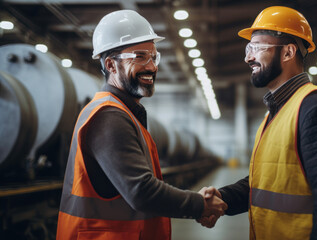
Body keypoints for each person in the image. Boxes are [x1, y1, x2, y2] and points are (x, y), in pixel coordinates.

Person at [56, 10, 226, 240]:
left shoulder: (125, 113)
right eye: (139, 56)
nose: (152, 67)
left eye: (154, 57)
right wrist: (199, 204)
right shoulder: (109, 117)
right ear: (111, 65)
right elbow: (142, 191)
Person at [198, 6, 317, 240]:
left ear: (288, 53)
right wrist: (222, 199)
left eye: (257, 48)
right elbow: (269, 181)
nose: (248, 57)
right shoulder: (277, 111)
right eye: (248, 48)